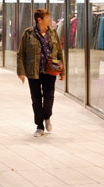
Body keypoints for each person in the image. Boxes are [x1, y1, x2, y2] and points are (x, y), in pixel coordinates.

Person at [17, 8, 64, 137]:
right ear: (40, 20)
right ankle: (39, 126)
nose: (50, 20)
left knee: (49, 98)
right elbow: (21, 54)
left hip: (50, 71)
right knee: (36, 99)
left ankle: (47, 116)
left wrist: (62, 71)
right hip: (34, 73)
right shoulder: (28, 34)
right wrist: (21, 72)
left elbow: (59, 52)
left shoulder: (53, 33)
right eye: (47, 18)